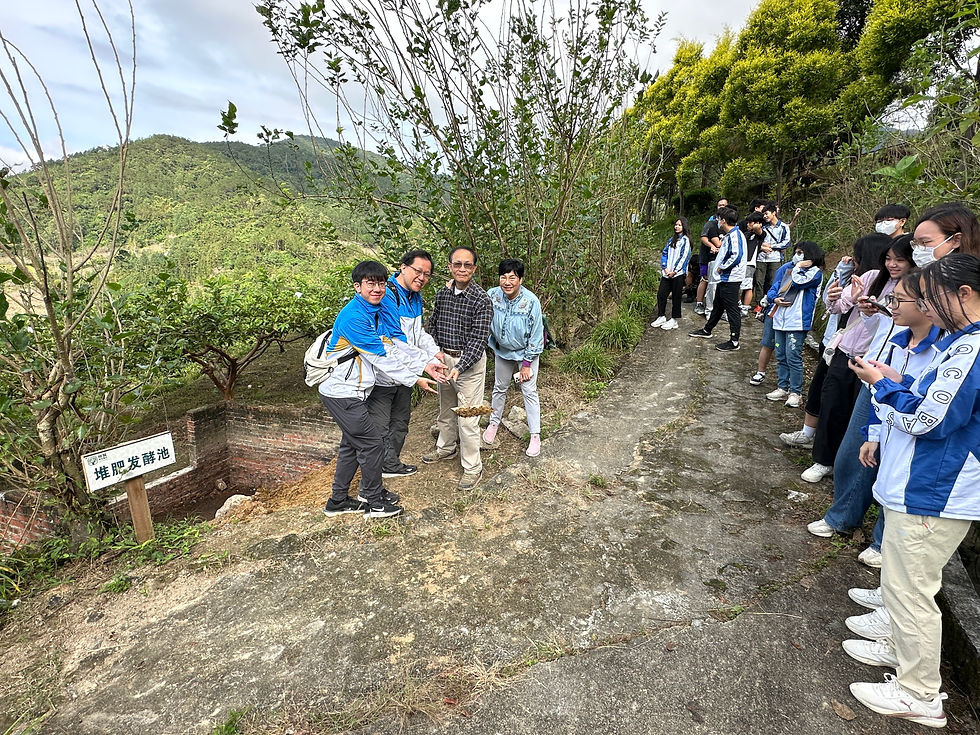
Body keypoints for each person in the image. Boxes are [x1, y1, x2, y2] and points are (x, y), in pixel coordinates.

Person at [844, 254, 980, 729]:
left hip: (934, 489)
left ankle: (919, 693)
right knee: (905, 585)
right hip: (924, 484)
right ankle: (902, 656)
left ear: (963, 293)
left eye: (931, 295)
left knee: (911, 590)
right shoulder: (959, 344)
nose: (924, 303)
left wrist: (882, 386)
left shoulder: (973, 349)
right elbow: (930, 397)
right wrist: (899, 380)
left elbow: (930, 419)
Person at [806, 272, 938, 567]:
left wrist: (885, 384)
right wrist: (875, 431)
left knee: (897, 480)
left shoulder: (947, 350)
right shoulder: (899, 338)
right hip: (879, 393)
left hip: (905, 417)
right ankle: (843, 518)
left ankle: (883, 545)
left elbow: (924, 412)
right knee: (855, 458)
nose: (890, 306)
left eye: (897, 300)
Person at [318, 260, 444, 519]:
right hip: (341, 392)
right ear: (357, 286)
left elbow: (395, 344)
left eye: (381, 283)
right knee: (373, 444)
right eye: (370, 283)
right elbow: (382, 358)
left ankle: (338, 501)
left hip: (355, 391)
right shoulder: (355, 317)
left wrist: (427, 363)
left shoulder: (375, 311)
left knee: (351, 446)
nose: (377, 289)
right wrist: (416, 379)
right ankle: (373, 500)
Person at [796, 233, 894, 483]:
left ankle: (847, 468)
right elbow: (838, 306)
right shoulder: (870, 278)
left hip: (875, 362)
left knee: (857, 419)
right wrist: (833, 298)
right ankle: (823, 461)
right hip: (846, 354)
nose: (893, 264)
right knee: (832, 408)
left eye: (898, 259)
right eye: (889, 259)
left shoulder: (911, 286)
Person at [366, 250, 444, 479]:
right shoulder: (387, 295)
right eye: (418, 271)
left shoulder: (414, 296)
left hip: (405, 372)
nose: (422, 277)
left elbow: (417, 334)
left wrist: (434, 353)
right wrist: (425, 363)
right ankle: (371, 477)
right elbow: (394, 341)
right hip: (384, 372)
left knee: (400, 421)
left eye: (427, 274)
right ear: (403, 267)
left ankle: (390, 464)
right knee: (379, 426)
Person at [423, 245, 493, 490]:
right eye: (457, 264)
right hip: (444, 359)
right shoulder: (442, 294)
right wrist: (435, 355)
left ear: (474, 268)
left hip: (469, 365)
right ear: (450, 266)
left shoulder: (482, 300)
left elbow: (478, 340)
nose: (462, 269)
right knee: (445, 409)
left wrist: (460, 366)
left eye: (467, 265)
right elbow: (433, 325)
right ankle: (445, 448)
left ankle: (473, 468)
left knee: (468, 418)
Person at [482, 259, 545, 457]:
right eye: (503, 277)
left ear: (520, 279)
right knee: (500, 387)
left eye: (512, 278)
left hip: (526, 353)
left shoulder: (531, 301)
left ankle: (535, 435)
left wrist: (526, 364)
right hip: (502, 352)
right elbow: (476, 304)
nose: (507, 282)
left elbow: (537, 334)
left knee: (529, 390)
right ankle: (493, 423)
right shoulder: (492, 295)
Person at [763, 241, 825, 408]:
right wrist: (774, 299)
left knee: (793, 357)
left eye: (801, 253)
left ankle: (795, 392)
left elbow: (798, 282)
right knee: (781, 355)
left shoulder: (815, 273)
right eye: (796, 252)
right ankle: (782, 387)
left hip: (797, 322)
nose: (797, 256)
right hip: (780, 319)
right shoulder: (788, 270)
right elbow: (774, 288)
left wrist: (799, 267)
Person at [687, 207, 745, 351]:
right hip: (724, 278)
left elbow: (736, 256)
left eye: (719, 219)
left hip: (731, 278)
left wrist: (722, 267)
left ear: (723, 220)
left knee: (732, 309)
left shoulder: (735, 236)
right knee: (718, 305)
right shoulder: (729, 235)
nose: (717, 221)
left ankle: (734, 341)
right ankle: (707, 330)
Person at [652, 218, 692, 330]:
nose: (677, 227)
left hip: (678, 274)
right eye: (676, 224)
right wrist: (665, 268)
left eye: (679, 225)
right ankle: (661, 315)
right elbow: (664, 253)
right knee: (661, 294)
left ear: (684, 226)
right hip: (667, 273)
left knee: (676, 296)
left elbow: (684, 257)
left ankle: (674, 320)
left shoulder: (685, 241)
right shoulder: (671, 240)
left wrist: (674, 271)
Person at [754, 202, 791, 309]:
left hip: (775, 258)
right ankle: (758, 304)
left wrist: (772, 246)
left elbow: (786, 242)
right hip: (761, 258)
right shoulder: (763, 227)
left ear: (774, 213)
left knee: (773, 281)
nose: (765, 216)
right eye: (763, 215)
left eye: (766, 213)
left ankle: (770, 302)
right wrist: (762, 247)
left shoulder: (783, 227)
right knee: (759, 281)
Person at [695, 198, 727, 316]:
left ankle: (717, 307)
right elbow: (703, 237)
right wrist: (712, 246)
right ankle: (699, 303)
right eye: (720, 205)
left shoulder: (728, 223)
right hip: (707, 257)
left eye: (724, 205)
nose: (722, 207)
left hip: (720, 259)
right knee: (705, 279)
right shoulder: (711, 222)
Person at [740, 209, 765, 315]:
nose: (748, 224)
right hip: (741, 263)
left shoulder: (760, 235)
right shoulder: (746, 234)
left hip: (750, 263)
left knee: (747, 286)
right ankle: (740, 305)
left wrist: (757, 222)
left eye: (750, 222)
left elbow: (759, 230)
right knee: (741, 285)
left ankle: (745, 308)